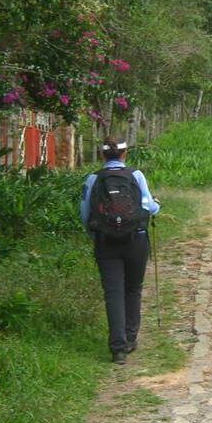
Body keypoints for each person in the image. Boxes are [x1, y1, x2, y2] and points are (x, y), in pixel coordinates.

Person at [80, 138, 160, 364]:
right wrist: (157, 205)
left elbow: (85, 213)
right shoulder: (136, 176)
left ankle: (118, 348)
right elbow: (147, 206)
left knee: (113, 292)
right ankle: (131, 338)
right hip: (136, 239)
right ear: (125, 154)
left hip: (106, 242)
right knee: (133, 288)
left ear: (102, 155)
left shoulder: (93, 178)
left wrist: (94, 234)